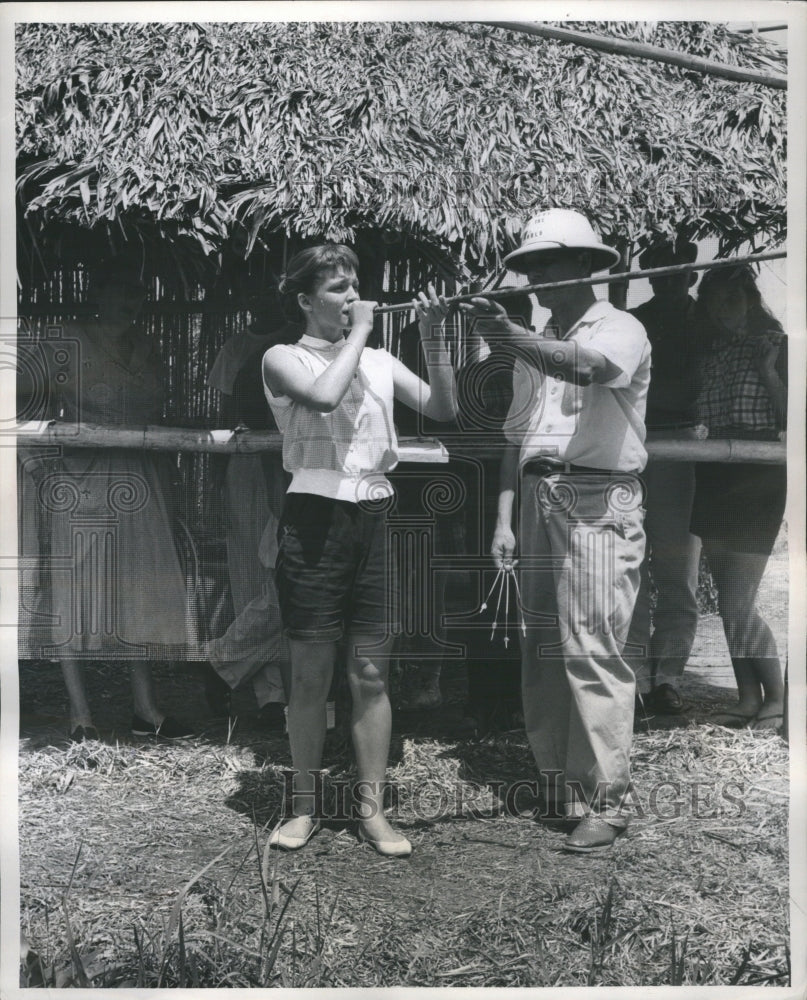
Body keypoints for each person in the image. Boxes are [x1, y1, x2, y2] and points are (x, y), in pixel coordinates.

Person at [460, 209, 650, 853]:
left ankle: (609, 800)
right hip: (539, 497)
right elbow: (517, 440)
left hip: (598, 499)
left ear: (584, 266)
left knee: (593, 647)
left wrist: (510, 336)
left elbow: (589, 368)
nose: (537, 276)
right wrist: (504, 520)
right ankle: (559, 783)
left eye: (548, 263)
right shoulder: (529, 343)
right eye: (530, 266)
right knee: (541, 644)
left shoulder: (620, 327)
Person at [261, 244, 456, 857]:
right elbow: (321, 397)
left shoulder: (377, 360)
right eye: (338, 289)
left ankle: (371, 810)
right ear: (304, 299)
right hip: (314, 520)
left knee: (370, 671)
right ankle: (303, 807)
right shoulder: (282, 357)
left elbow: (444, 408)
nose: (351, 298)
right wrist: (365, 328)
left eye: (355, 286)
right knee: (312, 675)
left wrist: (435, 338)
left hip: (375, 516)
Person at [18, 258, 193, 741]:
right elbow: (21, 402)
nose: (127, 301)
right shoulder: (65, 340)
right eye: (117, 291)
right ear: (96, 295)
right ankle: (81, 715)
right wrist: (36, 461)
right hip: (79, 479)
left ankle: (145, 710)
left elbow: (157, 408)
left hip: (138, 475)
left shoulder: (147, 346)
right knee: (75, 589)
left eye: (135, 292)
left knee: (134, 586)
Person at [690, 265, 787, 732]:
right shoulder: (710, 353)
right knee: (728, 600)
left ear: (750, 298)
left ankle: (779, 697)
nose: (722, 308)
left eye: (732, 298)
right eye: (714, 301)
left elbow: (794, 414)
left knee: (739, 599)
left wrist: (769, 370)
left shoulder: (778, 344)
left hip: (758, 477)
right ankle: (748, 695)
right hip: (714, 476)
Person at [205, 316, 293, 730]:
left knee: (292, 587)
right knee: (257, 578)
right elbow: (230, 412)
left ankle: (224, 663)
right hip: (257, 466)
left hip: (304, 474)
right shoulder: (251, 351)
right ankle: (269, 695)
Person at [627, 239, 702, 715]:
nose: (665, 281)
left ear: (690, 276)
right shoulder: (637, 322)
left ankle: (668, 678)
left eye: (674, 273)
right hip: (634, 445)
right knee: (628, 568)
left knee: (677, 572)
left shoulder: (705, 321)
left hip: (685, 446)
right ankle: (632, 678)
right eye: (657, 273)